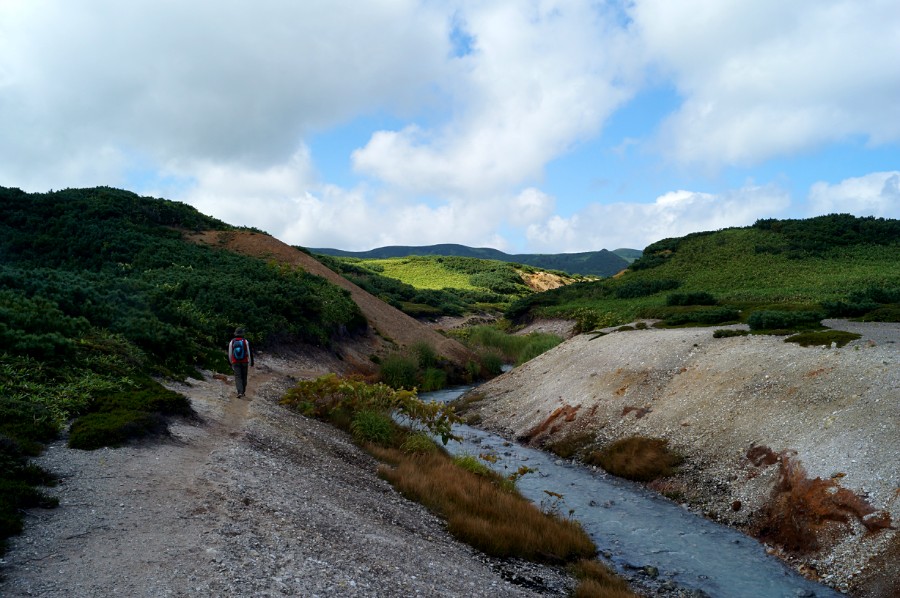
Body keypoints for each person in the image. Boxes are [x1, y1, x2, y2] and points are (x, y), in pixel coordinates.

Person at [227, 327, 254, 398]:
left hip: (235, 362)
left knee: (238, 377)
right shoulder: (245, 341)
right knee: (244, 377)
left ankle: (239, 392)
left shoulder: (232, 342)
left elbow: (230, 354)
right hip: (244, 361)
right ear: (242, 333)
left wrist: (230, 362)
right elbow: (249, 352)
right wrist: (251, 363)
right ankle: (243, 392)